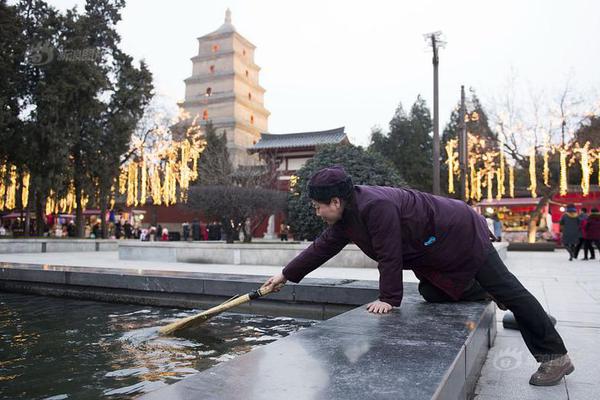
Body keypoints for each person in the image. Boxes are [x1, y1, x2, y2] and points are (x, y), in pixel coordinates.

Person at [261, 166, 573, 386]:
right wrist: (285, 275)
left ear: (335, 201)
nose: (317, 213)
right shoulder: (346, 217)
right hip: (435, 249)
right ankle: (499, 298)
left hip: (460, 233)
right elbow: (322, 247)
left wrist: (389, 299)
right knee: (432, 292)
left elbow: (389, 254)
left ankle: (555, 357)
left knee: (507, 286)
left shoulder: (376, 206)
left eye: (318, 207)